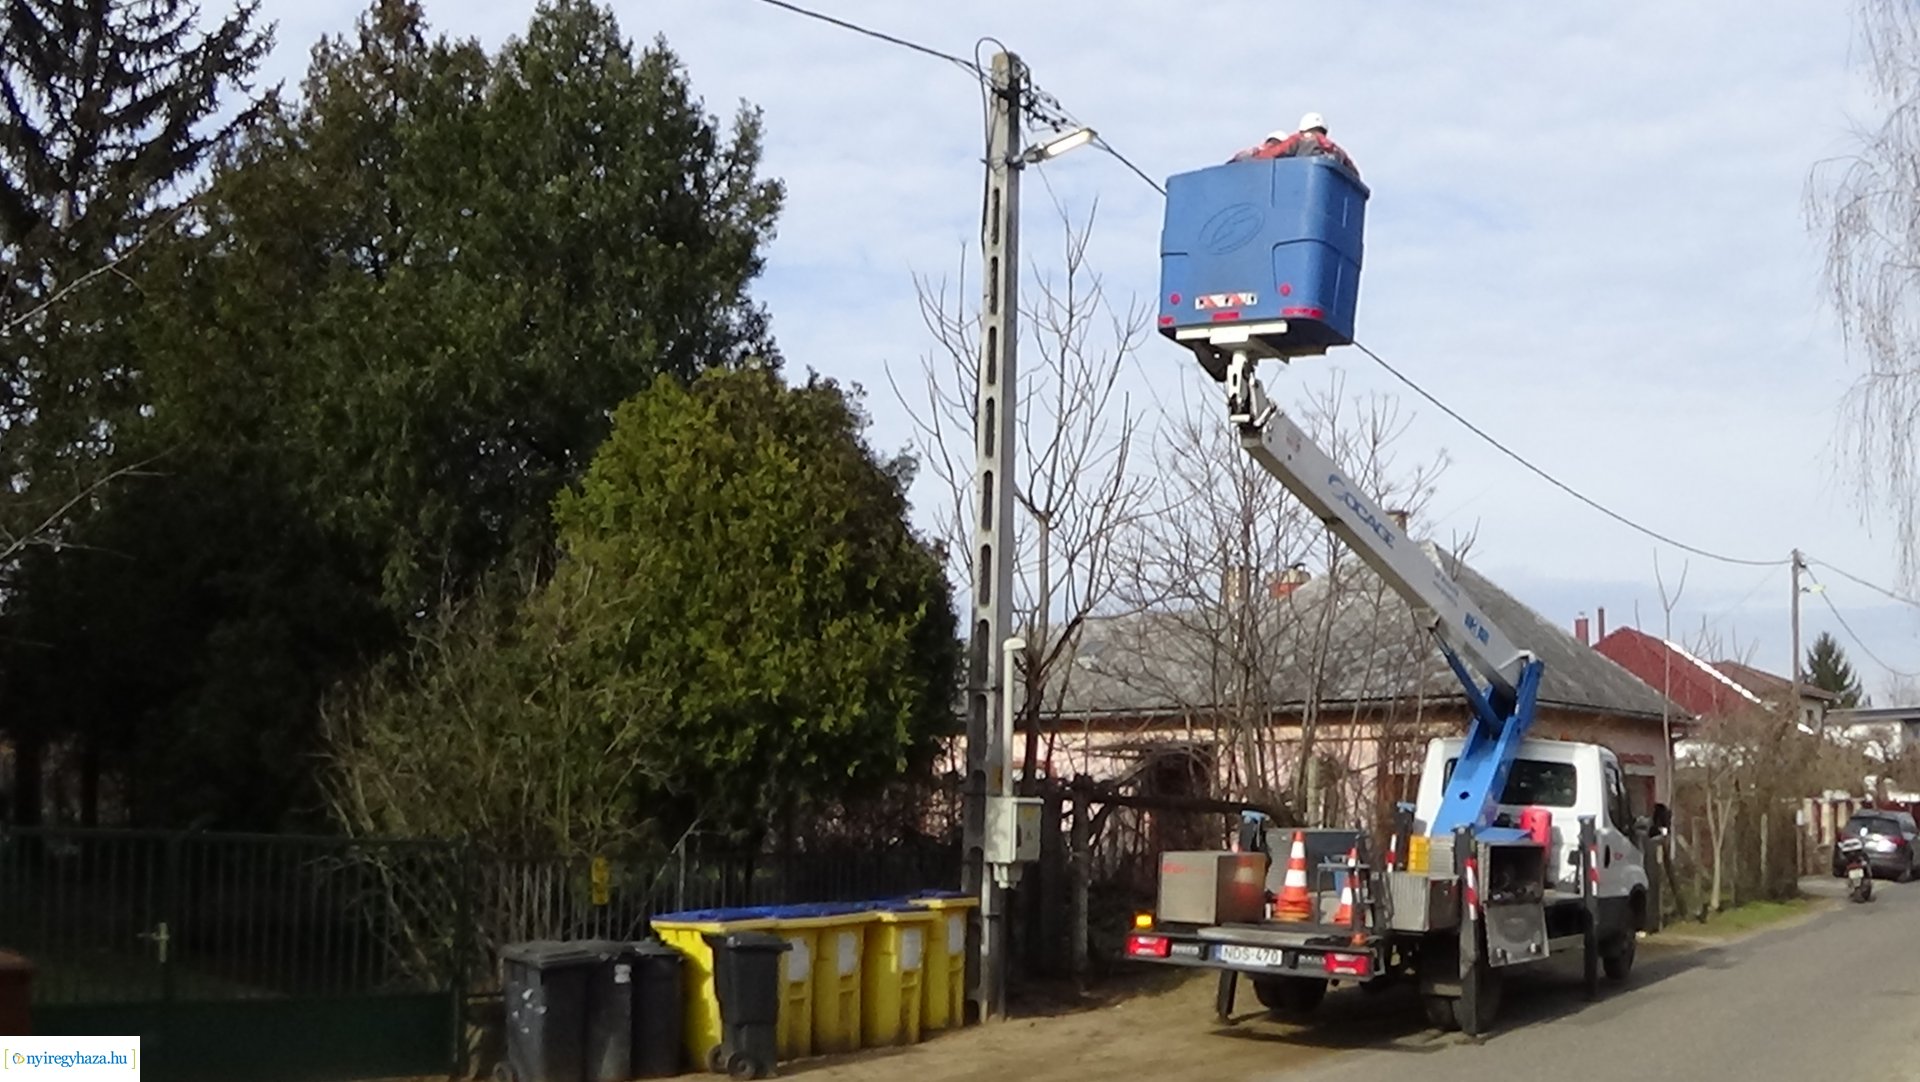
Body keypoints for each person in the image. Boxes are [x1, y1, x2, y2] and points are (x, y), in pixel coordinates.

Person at [1229, 112, 1360, 177]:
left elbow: (1276, 153)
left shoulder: (1299, 139)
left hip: (1301, 180)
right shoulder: (1337, 150)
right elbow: (1354, 174)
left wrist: (1255, 158)